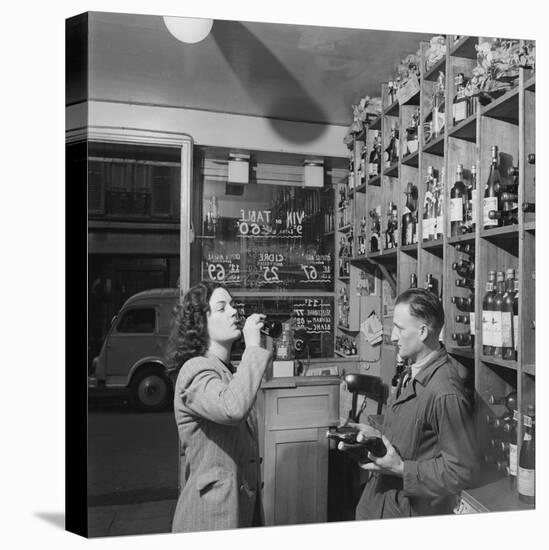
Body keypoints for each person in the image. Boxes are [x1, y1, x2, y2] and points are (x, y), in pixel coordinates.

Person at [349, 288, 479, 519]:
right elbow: (413, 438)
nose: (393, 337)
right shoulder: (413, 371)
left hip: (406, 511)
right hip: (381, 502)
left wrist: (400, 469)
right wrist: (374, 435)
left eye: (399, 328)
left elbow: (462, 471)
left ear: (422, 332)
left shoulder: (445, 392)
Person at [165, 281, 272, 532]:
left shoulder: (225, 372)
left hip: (236, 509)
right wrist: (253, 347)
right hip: (209, 517)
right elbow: (232, 408)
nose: (234, 312)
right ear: (201, 323)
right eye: (222, 307)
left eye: (233, 305)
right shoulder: (195, 370)